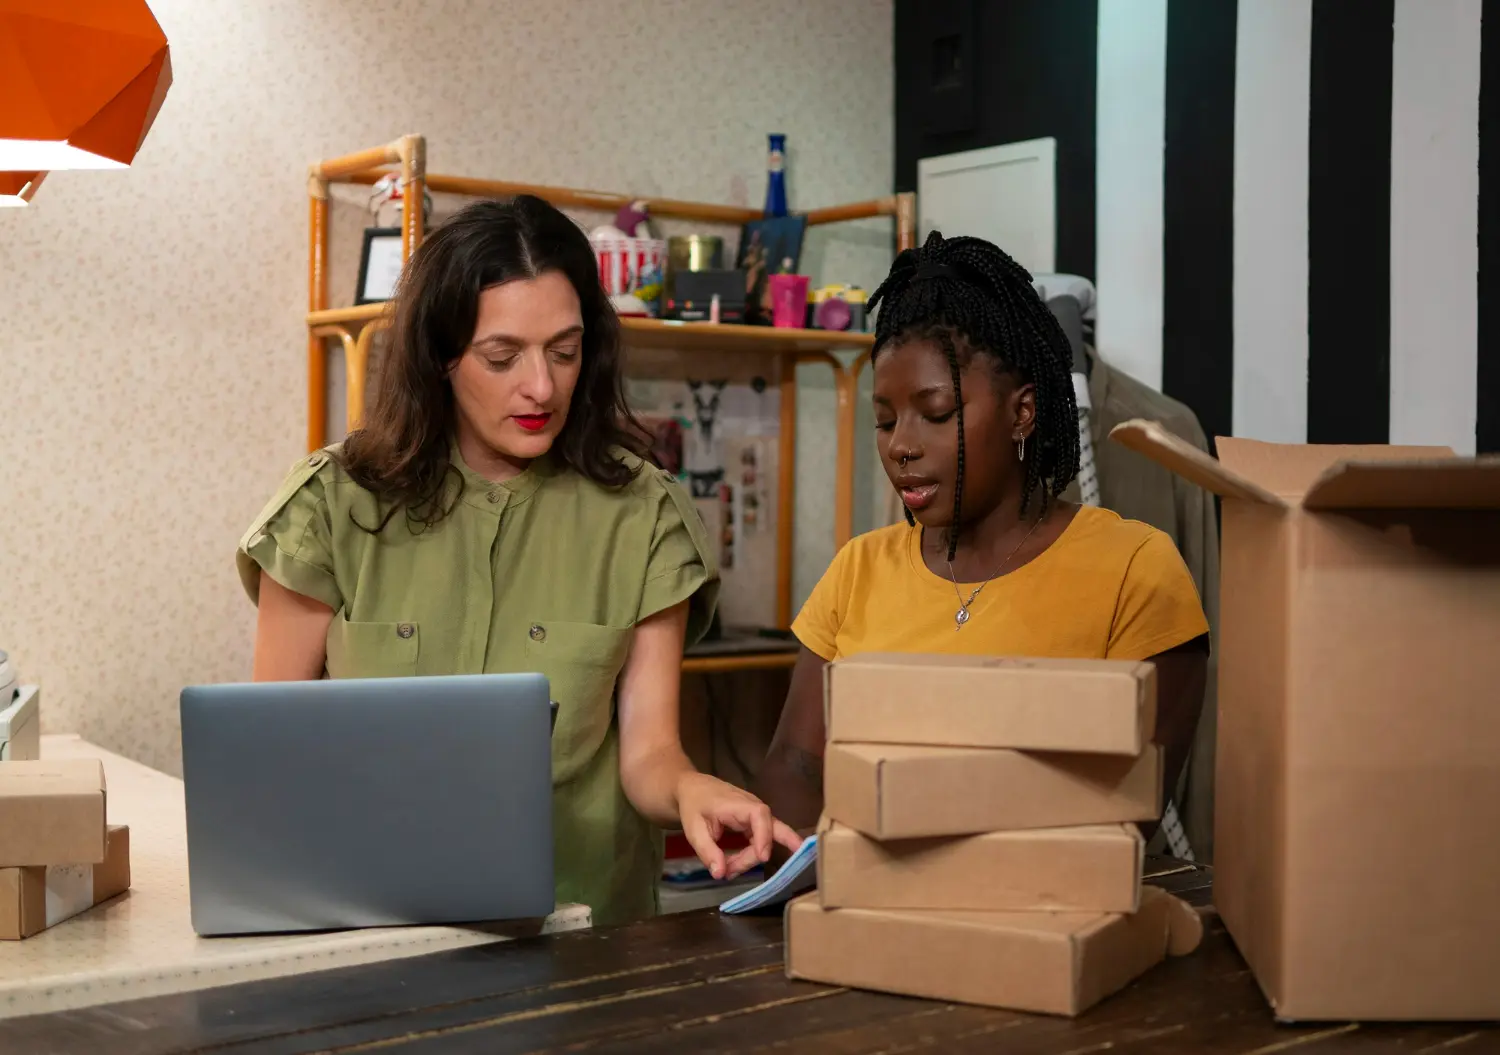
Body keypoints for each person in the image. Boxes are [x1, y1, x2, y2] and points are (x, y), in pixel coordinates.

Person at [235, 196, 799, 925]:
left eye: (564, 351)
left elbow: (649, 753)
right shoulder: (331, 506)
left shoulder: (644, 514)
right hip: (370, 922)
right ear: (440, 357)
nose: (541, 386)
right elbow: (270, 753)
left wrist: (692, 788)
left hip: (584, 932)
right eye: (503, 357)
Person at [753, 232, 1210, 865]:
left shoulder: (1135, 571)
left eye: (934, 413)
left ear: (1022, 413)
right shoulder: (858, 569)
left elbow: (1130, 809)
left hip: (1041, 924)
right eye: (884, 420)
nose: (900, 446)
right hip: (864, 917)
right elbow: (795, 769)